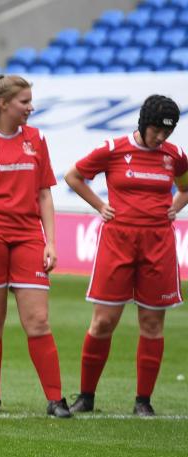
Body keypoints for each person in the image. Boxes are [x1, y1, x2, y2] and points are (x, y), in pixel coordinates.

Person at [64, 95, 188, 417]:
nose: (161, 137)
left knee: (151, 323)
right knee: (104, 321)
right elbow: (73, 176)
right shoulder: (113, 149)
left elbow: (186, 187)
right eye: (157, 130)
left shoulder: (174, 156)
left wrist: (175, 206)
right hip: (117, 242)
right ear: (143, 122)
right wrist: (100, 206)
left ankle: (143, 401)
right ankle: (86, 396)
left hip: (158, 244)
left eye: (168, 132)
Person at [0, 73, 71, 417]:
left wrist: (51, 241)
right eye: (24, 102)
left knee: (37, 320)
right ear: (3, 104)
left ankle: (55, 399)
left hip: (27, 237)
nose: (30, 108)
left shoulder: (36, 139)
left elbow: (44, 193)